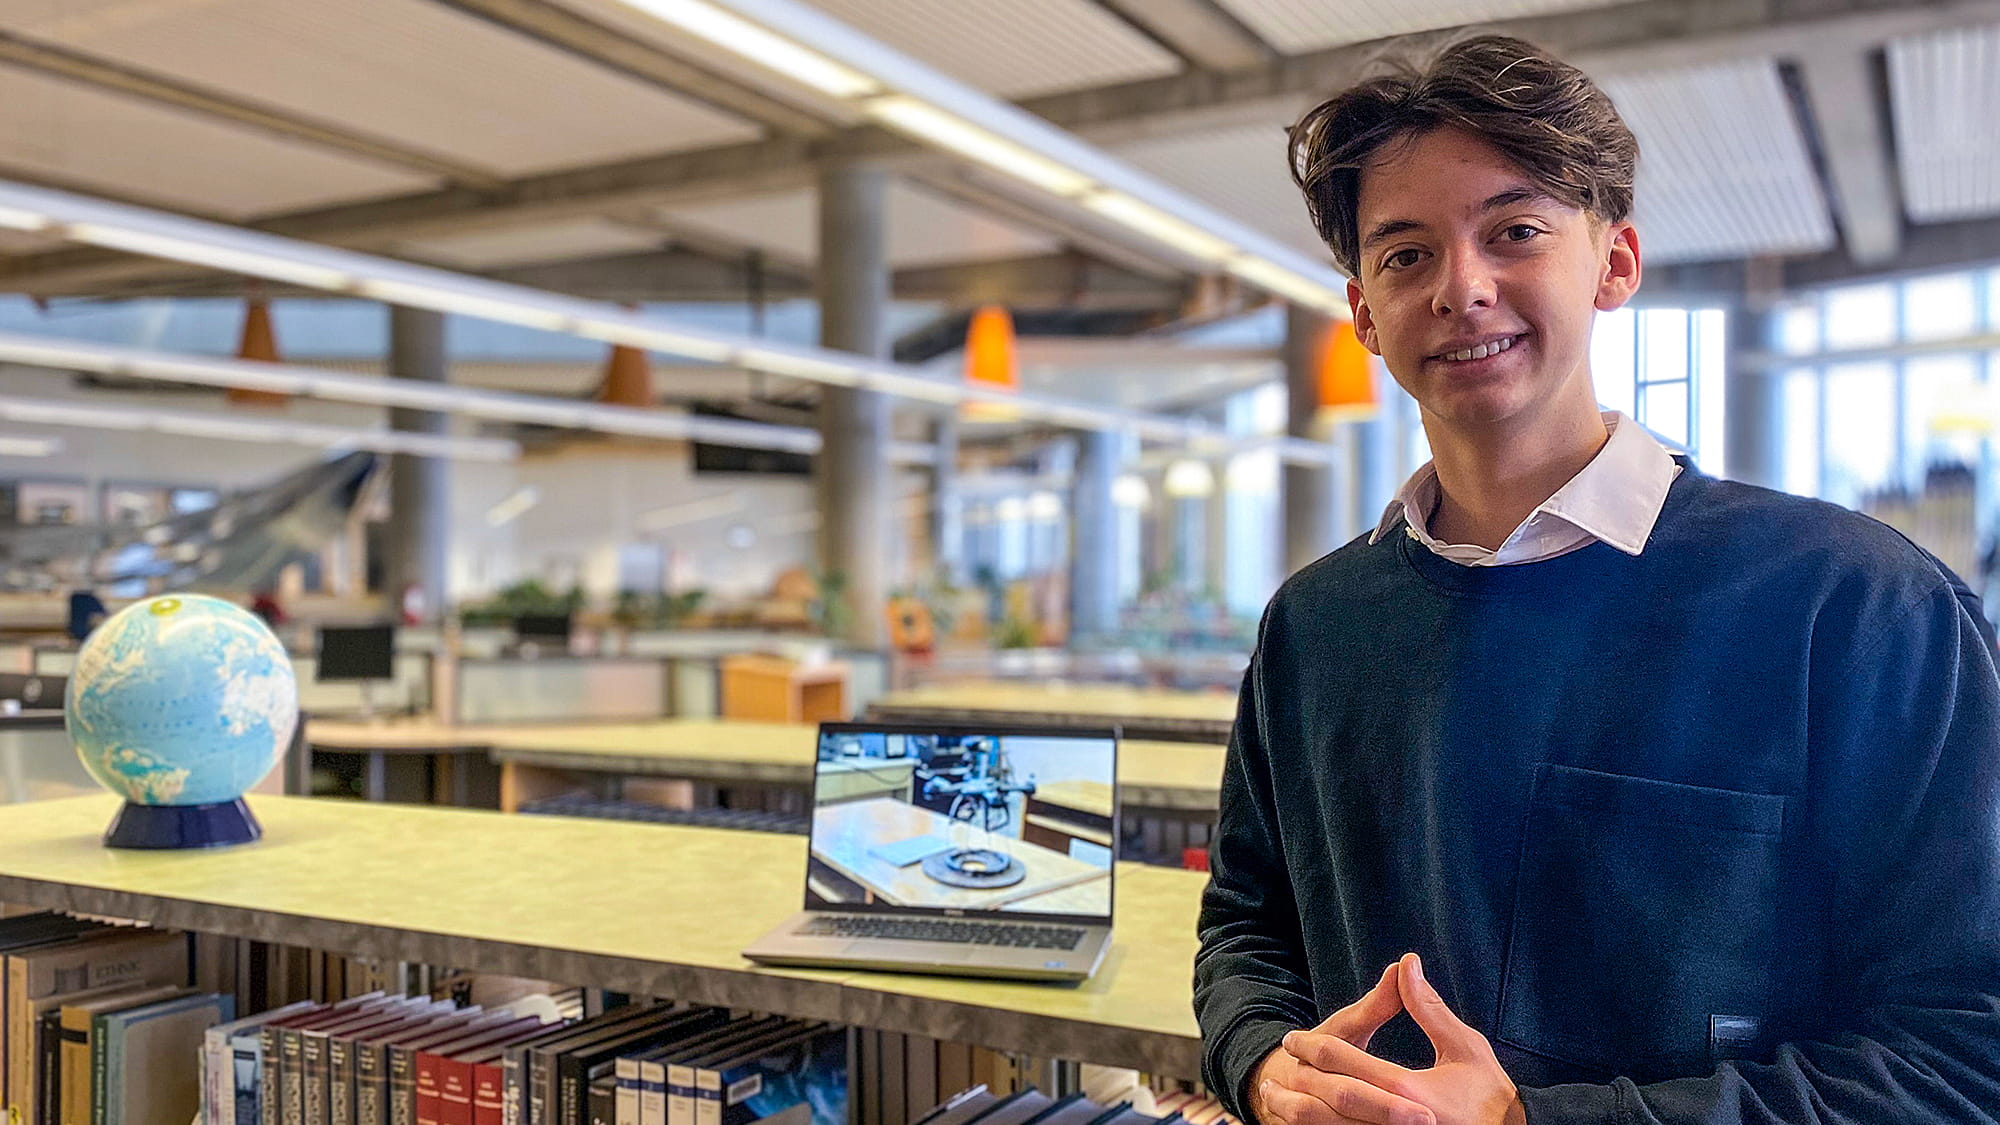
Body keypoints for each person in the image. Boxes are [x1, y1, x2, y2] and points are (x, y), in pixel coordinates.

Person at [1193, 34, 2000, 1125]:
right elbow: (1248, 920)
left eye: (1513, 231)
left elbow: (1964, 1049)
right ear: (1361, 315)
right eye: (1403, 254)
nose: (1459, 288)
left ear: (1613, 263)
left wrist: (1536, 1120)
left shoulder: (1856, 608)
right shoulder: (1316, 625)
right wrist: (1257, 1061)